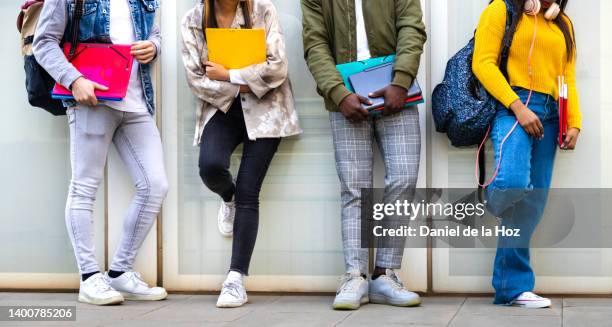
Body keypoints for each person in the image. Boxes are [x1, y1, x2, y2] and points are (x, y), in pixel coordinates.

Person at [33, 0, 168, 305]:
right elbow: (44, 42)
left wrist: (154, 47)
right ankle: (89, 278)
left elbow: (154, 32)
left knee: (155, 186)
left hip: (136, 102)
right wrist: (74, 79)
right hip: (90, 101)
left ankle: (119, 271)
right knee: (84, 188)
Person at [301, 0, 427, 310]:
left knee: (404, 177)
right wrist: (338, 93)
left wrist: (401, 80)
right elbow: (314, 43)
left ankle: (385, 275)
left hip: (398, 91)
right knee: (354, 188)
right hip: (345, 97)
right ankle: (354, 276)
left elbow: (412, 28)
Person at [180, 0, 302, 308]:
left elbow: (278, 68)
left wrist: (230, 74)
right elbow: (196, 78)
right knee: (210, 167)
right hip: (220, 110)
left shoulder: (264, 10)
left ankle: (235, 279)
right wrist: (244, 83)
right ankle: (227, 197)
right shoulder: (194, 19)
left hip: (268, 112)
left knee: (250, 191)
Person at [472, 0, 581, 308]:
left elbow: (567, 76)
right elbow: (483, 64)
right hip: (513, 104)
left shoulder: (563, 24)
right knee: (512, 181)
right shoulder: (500, 10)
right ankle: (490, 204)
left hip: (551, 112)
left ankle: (512, 288)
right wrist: (518, 108)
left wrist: (574, 121)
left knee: (532, 203)